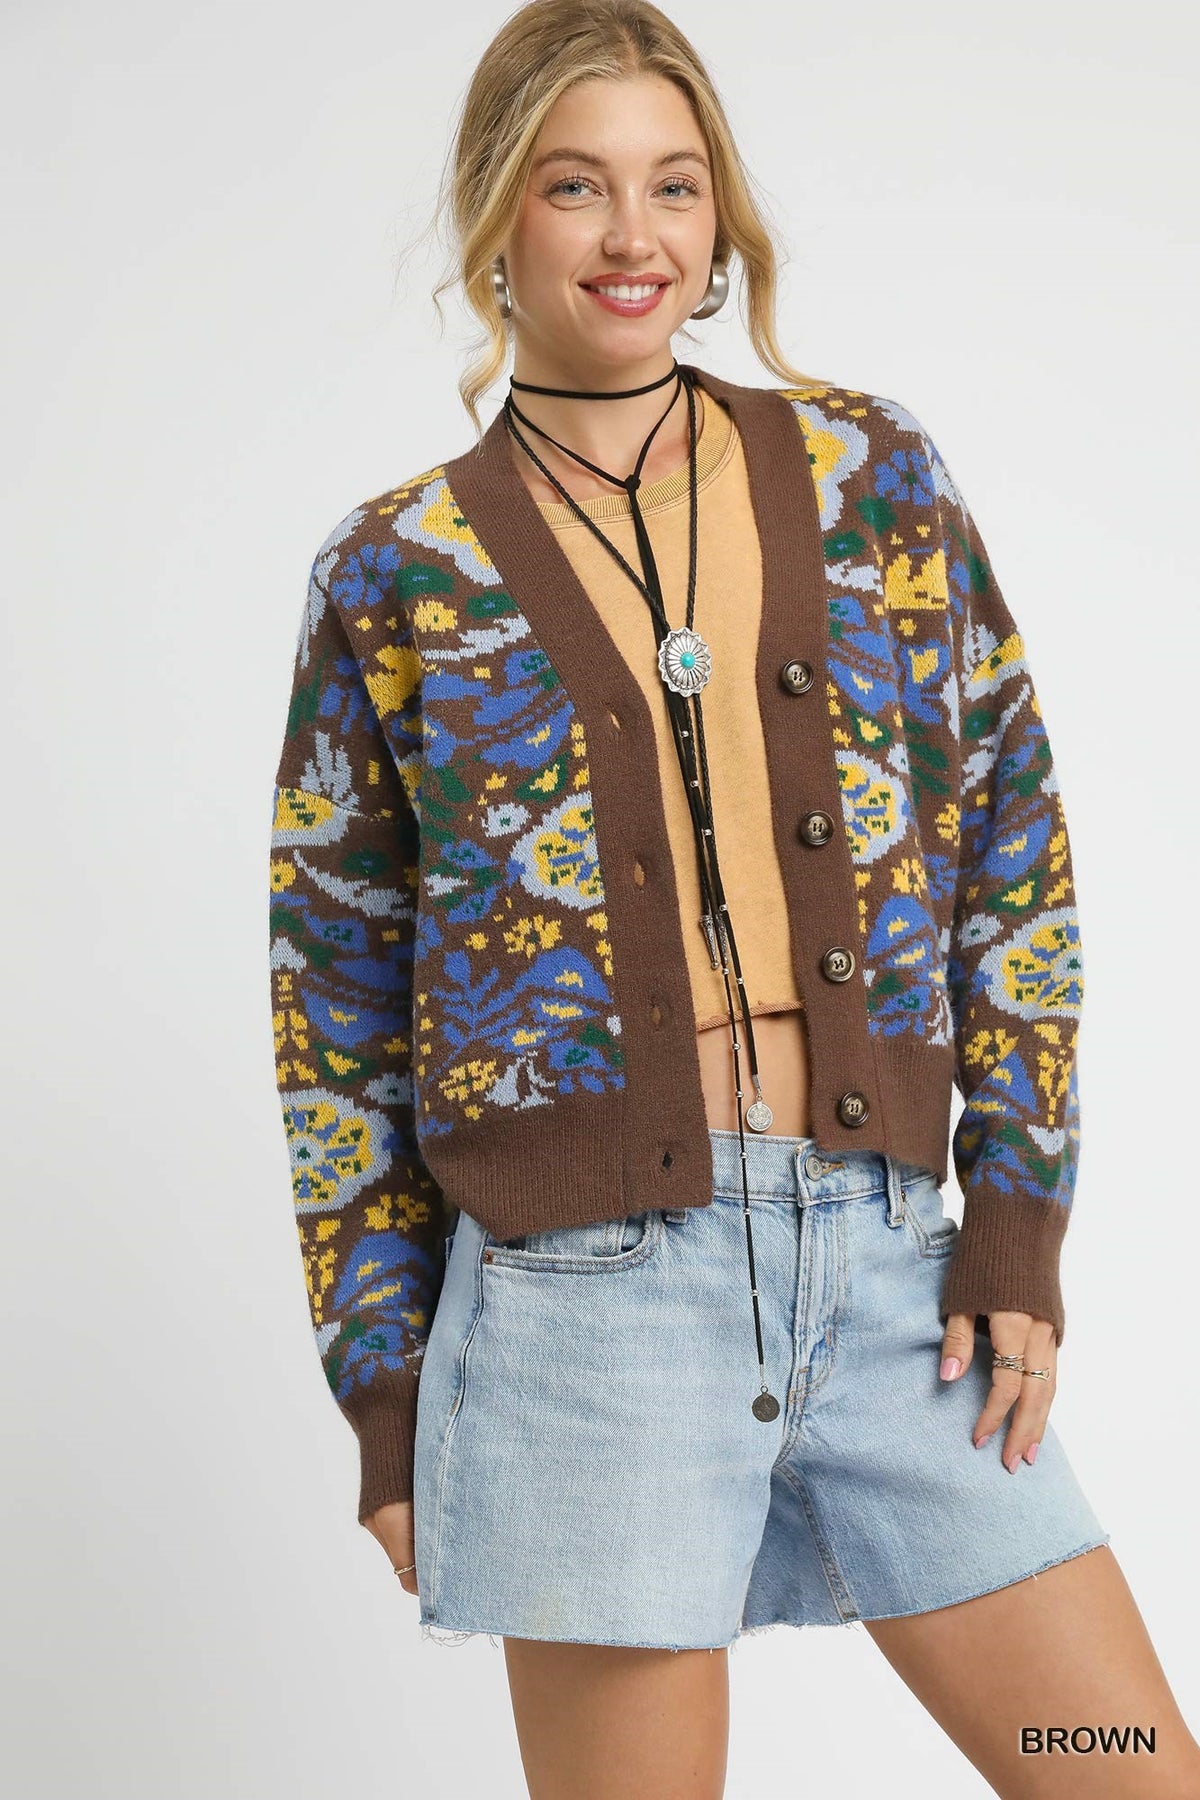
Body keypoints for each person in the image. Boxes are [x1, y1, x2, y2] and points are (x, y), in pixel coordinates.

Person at [267, 2, 1200, 1793]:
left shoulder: (869, 478)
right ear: (496, 216)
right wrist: (383, 1390)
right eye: (577, 185)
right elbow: (334, 1011)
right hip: (581, 1318)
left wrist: (1016, 1213)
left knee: (1126, 1765)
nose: (634, 233)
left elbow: (1013, 846)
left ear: (720, 222)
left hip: (891, 1274)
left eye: (674, 185)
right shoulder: (396, 569)